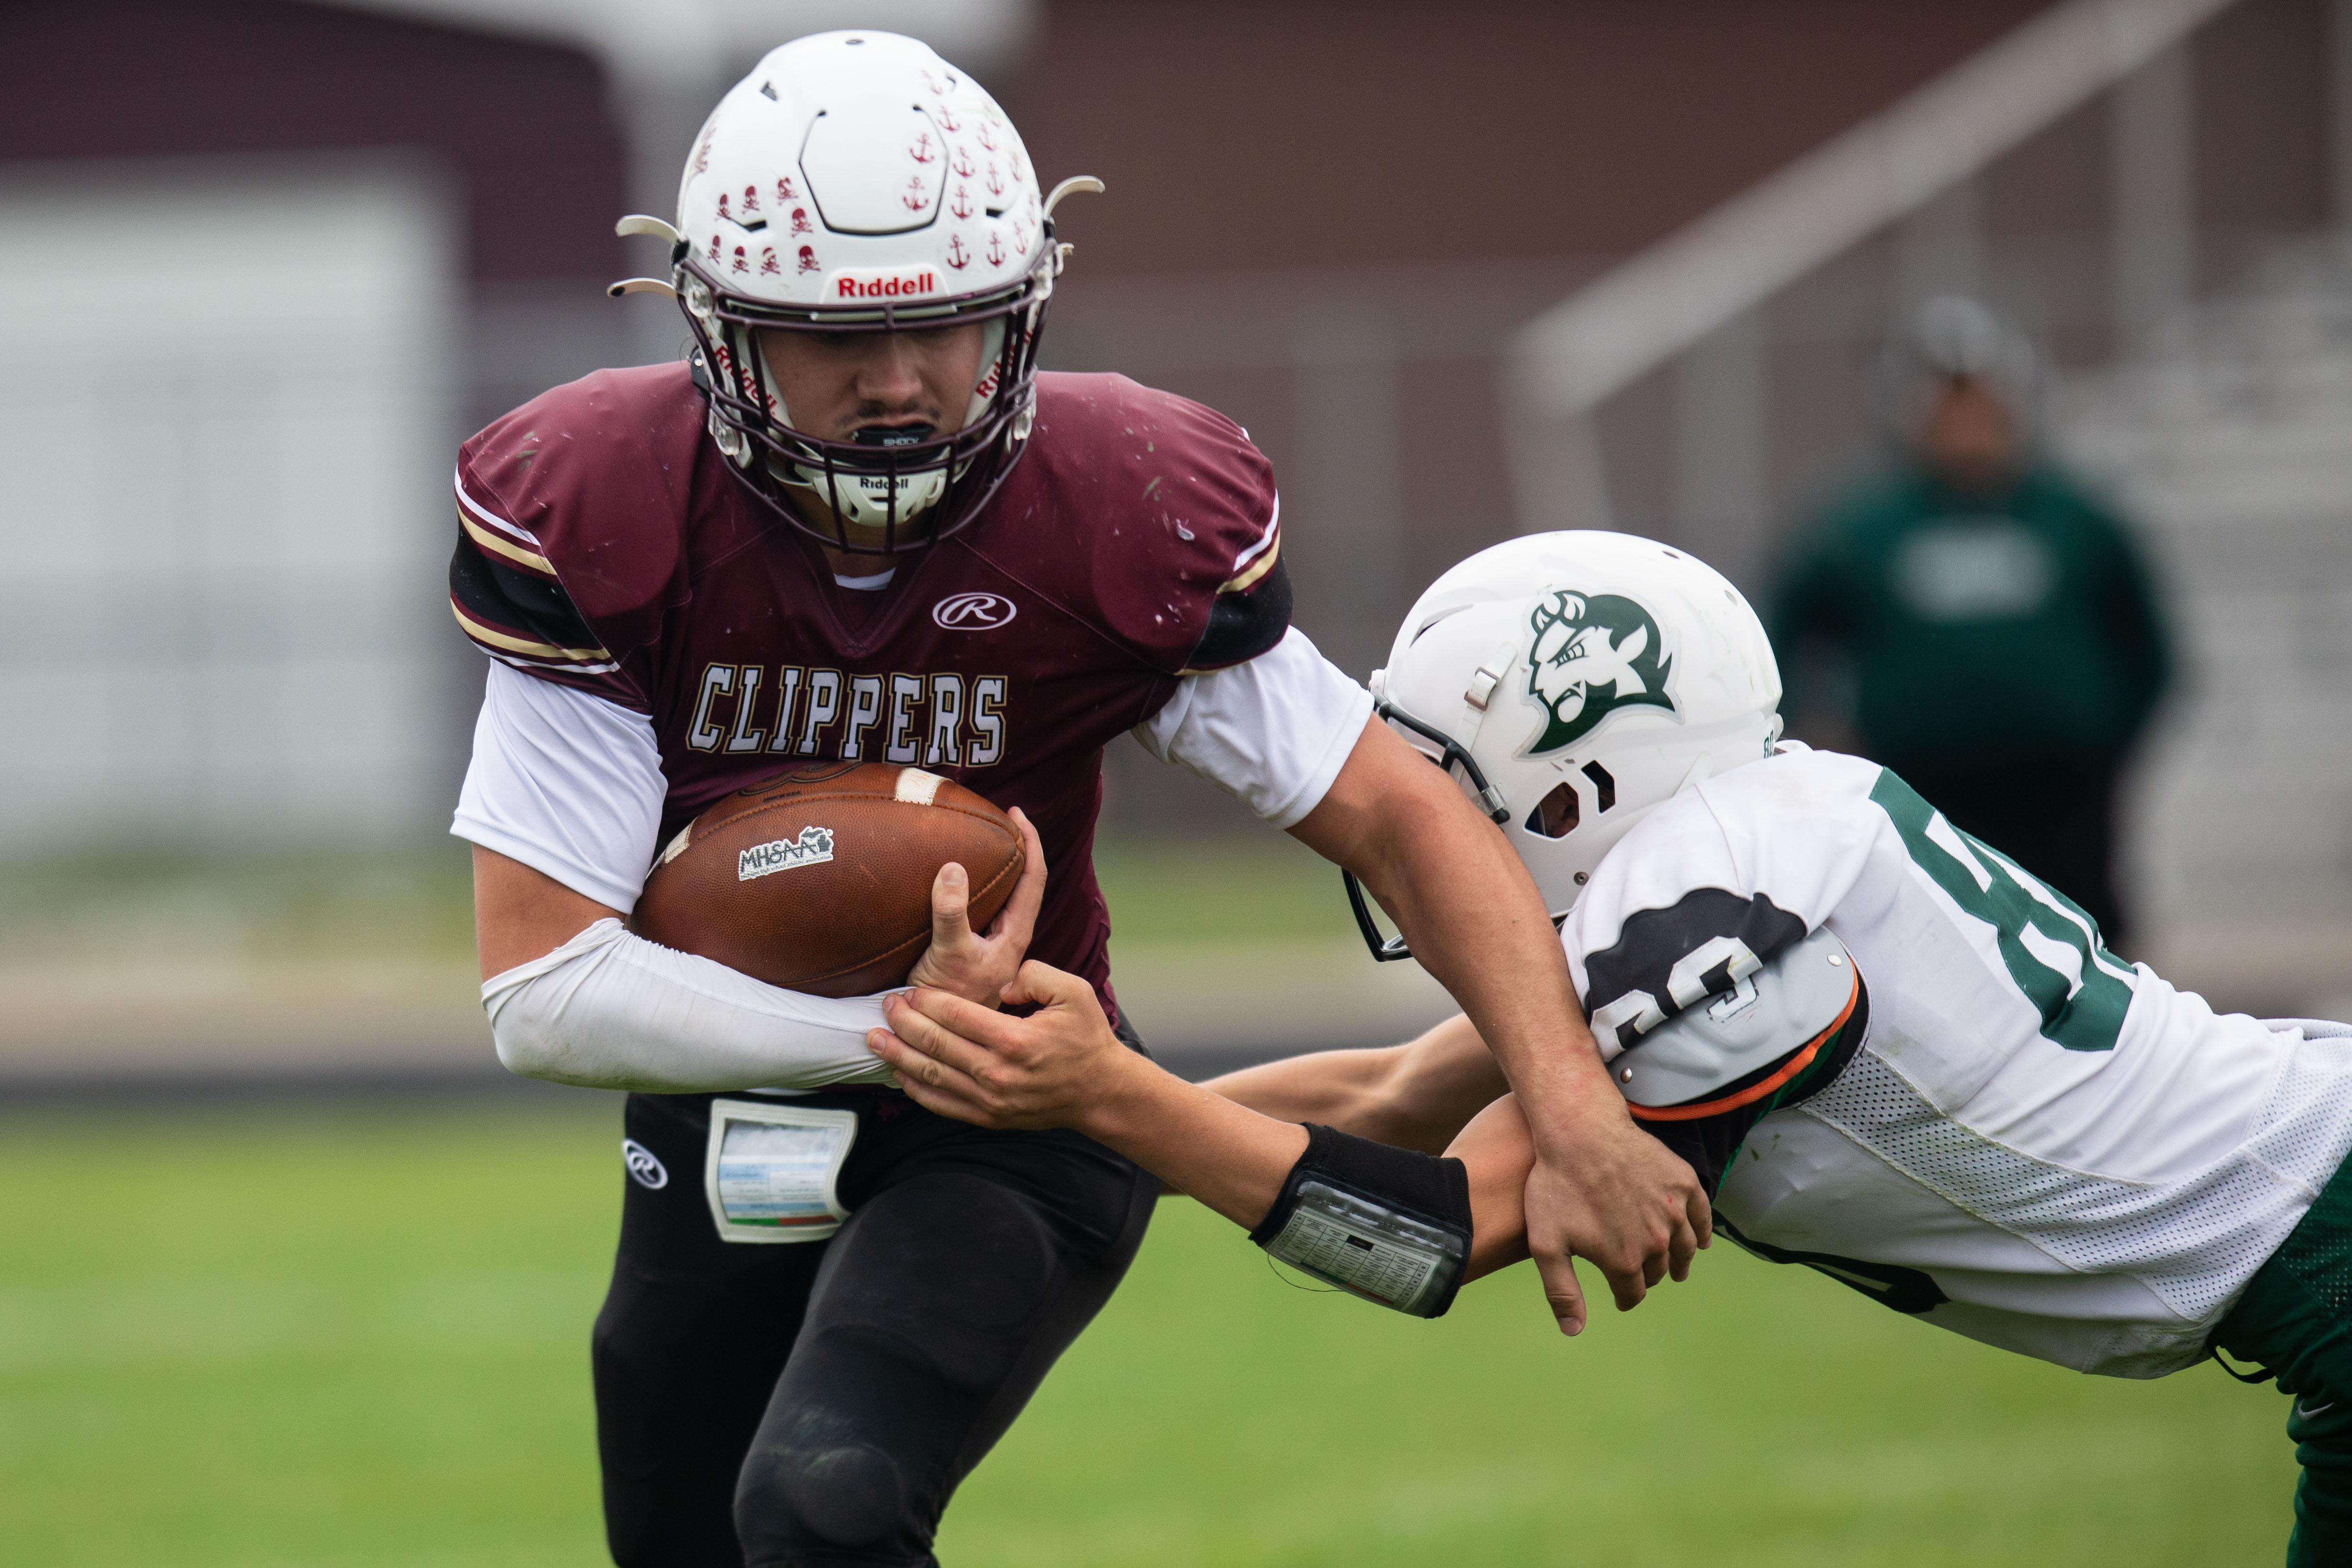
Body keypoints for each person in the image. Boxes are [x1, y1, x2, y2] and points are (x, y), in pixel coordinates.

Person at [447, 32, 1706, 1568]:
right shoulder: (605, 503)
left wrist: (1568, 1104)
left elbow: (1396, 811)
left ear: (1023, 307)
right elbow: (545, 985)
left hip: (1028, 1127)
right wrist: (911, 1036)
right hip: (739, 1093)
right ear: (716, 328)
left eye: (950, 325)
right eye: (834, 339)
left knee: (824, 1506)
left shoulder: (1115, 504)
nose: (899, 381)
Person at [869, 530, 2352, 1565]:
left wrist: (1110, 1091)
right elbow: (1390, 1094)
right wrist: (1019, 1115)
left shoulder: (1704, 920)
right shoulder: (1746, 843)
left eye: (1453, 791)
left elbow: (1432, 1232)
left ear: (1575, 785)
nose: (1420, 830)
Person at [1769, 297, 2171, 944]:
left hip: (2062, 795)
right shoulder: (1861, 528)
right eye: (1949, 409)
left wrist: (2102, 738)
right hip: (1928, 792)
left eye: (1982, 407)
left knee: (2085, 937)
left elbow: (2148, 647)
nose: (1968, 428)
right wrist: (1819, 729)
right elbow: (1789, 631)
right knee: (1938, 942)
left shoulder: (2076, 517)